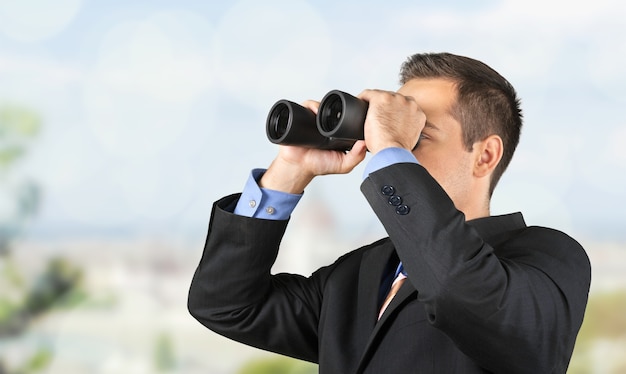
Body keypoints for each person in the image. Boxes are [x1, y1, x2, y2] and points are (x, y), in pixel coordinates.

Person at [187, 52, 591, 373]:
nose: (391, 149)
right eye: (390, 133)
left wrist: (391, 149)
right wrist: (289, 171)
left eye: (419, 134)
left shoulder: (548, 259)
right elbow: (224, 303)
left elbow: (457, 288)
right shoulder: (358, 274)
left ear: (485, 155)